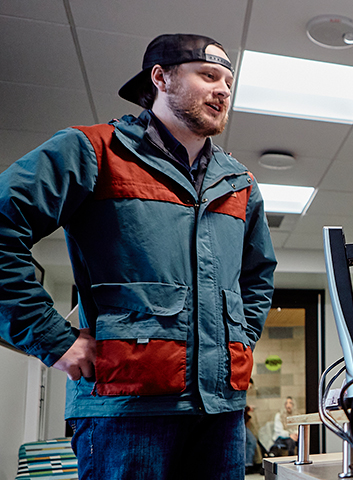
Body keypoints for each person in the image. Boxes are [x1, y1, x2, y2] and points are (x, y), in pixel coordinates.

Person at [0, 34, 276, 478]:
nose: (224, 90)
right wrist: (52, 339)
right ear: (161, 78)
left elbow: (257, 277)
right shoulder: (92, 150)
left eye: (229, 80)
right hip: (125, 406)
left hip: (220, 408)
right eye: (208, 75)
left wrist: (238, 339)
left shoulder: (240, 182)